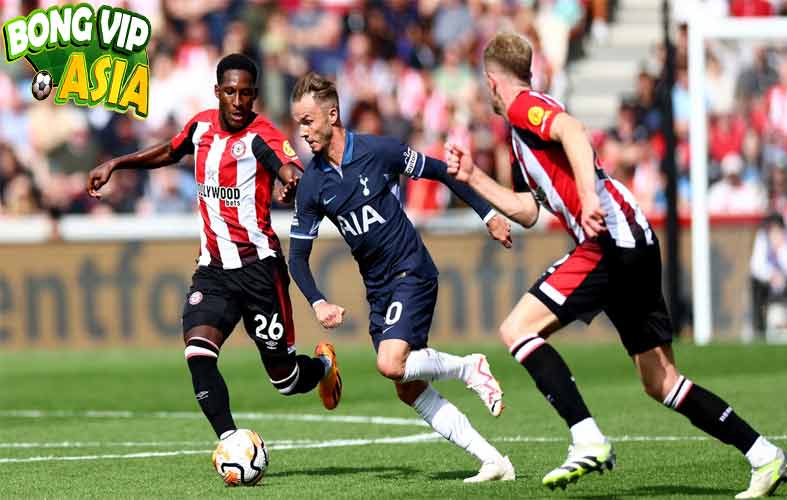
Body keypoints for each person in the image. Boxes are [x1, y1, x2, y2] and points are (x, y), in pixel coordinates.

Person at [445, 32, 787, 498]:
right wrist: (473, 178)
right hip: (631, 239)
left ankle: (587, 439)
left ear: (492, 80)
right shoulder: (520, 136)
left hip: (609, 238)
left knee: (517, 330)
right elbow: (528, 210)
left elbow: (572, 130)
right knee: (661, 381)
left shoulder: (522, 106)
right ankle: (764, 456)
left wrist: (589, 196)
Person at [86, 54, 342, 445]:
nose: (238, 102)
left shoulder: (262, 135)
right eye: (231, 92)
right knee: (198, 354)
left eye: (246, 94)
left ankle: (323, 365)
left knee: (286, 380)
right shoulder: (201, 125)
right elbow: (170, 151)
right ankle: (232, 442)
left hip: (260, 270)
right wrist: (117, 163)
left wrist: (288, 180)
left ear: (255, 96)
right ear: (217, 92)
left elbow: (289, 167)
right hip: (214, 270)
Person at [287, 72, 516, 483]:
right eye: (298, 122)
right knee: (408, 387)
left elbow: (443, 172)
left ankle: (468, 367)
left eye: (307, 121)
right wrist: (317, 300)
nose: (302, 131)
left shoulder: (379, 151)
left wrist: (489, 215)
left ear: (332, 115)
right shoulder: (313, 185)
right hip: (378, 290)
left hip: (411, 270)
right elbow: (298, 259)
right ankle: (493, 460)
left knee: (390, 364)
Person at [750, 213, 787, 335]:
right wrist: (771, 274)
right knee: (755, 284)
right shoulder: (762, 238)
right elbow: (756, 267)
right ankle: (759, 330)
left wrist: (780, 248)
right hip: (769, 283)